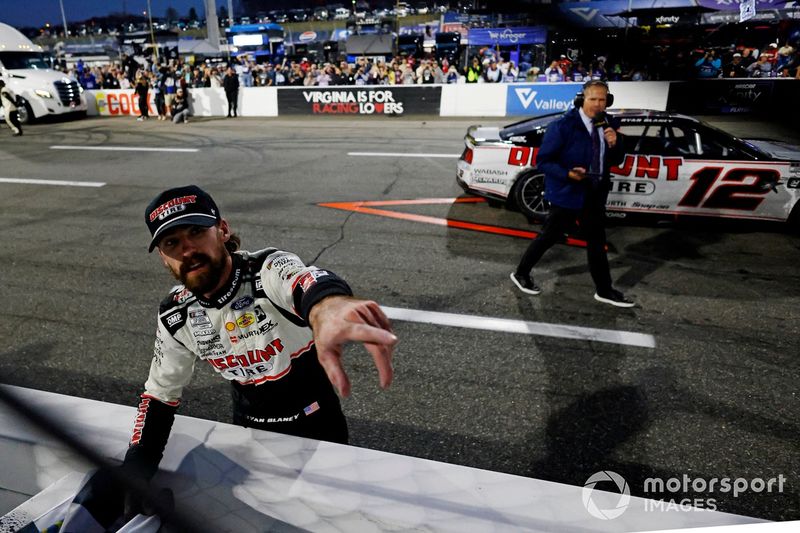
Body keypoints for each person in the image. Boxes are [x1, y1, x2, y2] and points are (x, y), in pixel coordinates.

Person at [121, 185, 397, 503]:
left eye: (196, 232)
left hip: (317, 424)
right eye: (172, 242)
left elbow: (304, 280)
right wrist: (135, 471)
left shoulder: (266, 270)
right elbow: (159, 395)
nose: (187, 250)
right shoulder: (175, 315)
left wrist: (326, 306)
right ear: (163, 257)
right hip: (250, 430)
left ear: (222, 230)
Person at [511, 80, 634, 307]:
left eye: (602, 100)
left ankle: (604, 290)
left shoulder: (609, 125)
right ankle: (521, 273)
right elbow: (543, 161)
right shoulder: (563, 126)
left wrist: (615, 144)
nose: (598, 104)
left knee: (597, 242)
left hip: (595, 193)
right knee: (549, 236)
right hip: (567, 192)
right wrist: (568, 174)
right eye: (593, 99)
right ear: (581, 100)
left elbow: (616, 160)